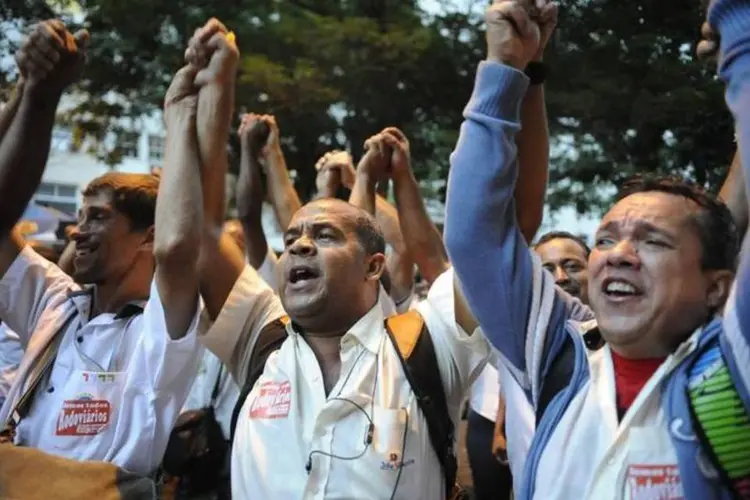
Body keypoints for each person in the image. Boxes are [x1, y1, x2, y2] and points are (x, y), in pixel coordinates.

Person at [445, 1, 749, 499]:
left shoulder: (735, 359)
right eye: (605, 239)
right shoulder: (554, 351)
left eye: (653, 241)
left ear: (717, 287)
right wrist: (504, 68)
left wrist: (740, 39)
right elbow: (475, 233)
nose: (619, 254)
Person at [0, 20, 205, 475]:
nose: (77, 231)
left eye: (99, 217)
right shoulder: (54, 303)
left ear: (148, 236)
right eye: (79, 216)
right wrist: (34, 91)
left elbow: (178, 250)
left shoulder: (159, 329)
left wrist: (179, 117)